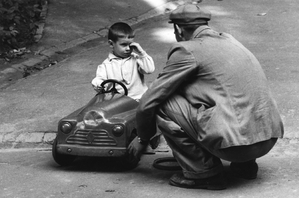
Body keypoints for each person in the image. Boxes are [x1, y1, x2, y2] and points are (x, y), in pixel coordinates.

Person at [128, 4, 284, 190]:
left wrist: (142, 139)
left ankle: (203, 174)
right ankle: (245, 167)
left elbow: (148, 102)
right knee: (236, 96)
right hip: (266, 139)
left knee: (162, 101)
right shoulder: (230, 40)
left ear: (177, 28)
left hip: (235, 148)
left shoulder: (187, 50)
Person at [91, 22, 155, 101]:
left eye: (130, 45)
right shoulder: (106, 65)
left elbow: (149, 70)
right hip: (118, 103)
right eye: (124, 45)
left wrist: (142, 53)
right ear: (111, 44)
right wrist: (99, 83)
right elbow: (98, 81)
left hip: (140, 99)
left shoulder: (136, 59)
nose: (128, 48)